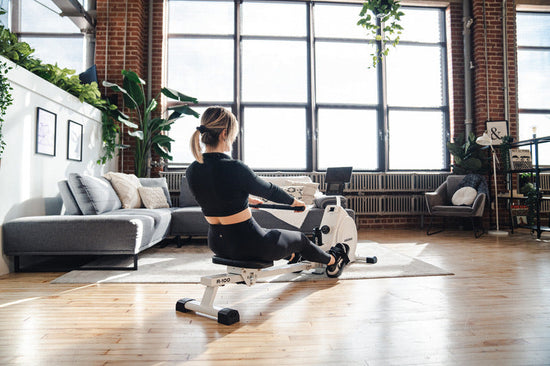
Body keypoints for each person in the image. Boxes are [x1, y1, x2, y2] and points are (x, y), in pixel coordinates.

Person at [186, 106, 350, 277]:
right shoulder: (235, 167)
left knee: (270, 233)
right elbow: (269, 191)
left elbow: (216, 195)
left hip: (218, 245)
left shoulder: (192, 170)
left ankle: (294, 256)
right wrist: (294, 202)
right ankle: (334, 260)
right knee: (300, 239)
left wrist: (246, 200)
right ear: (224, 133)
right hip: (250, 246)